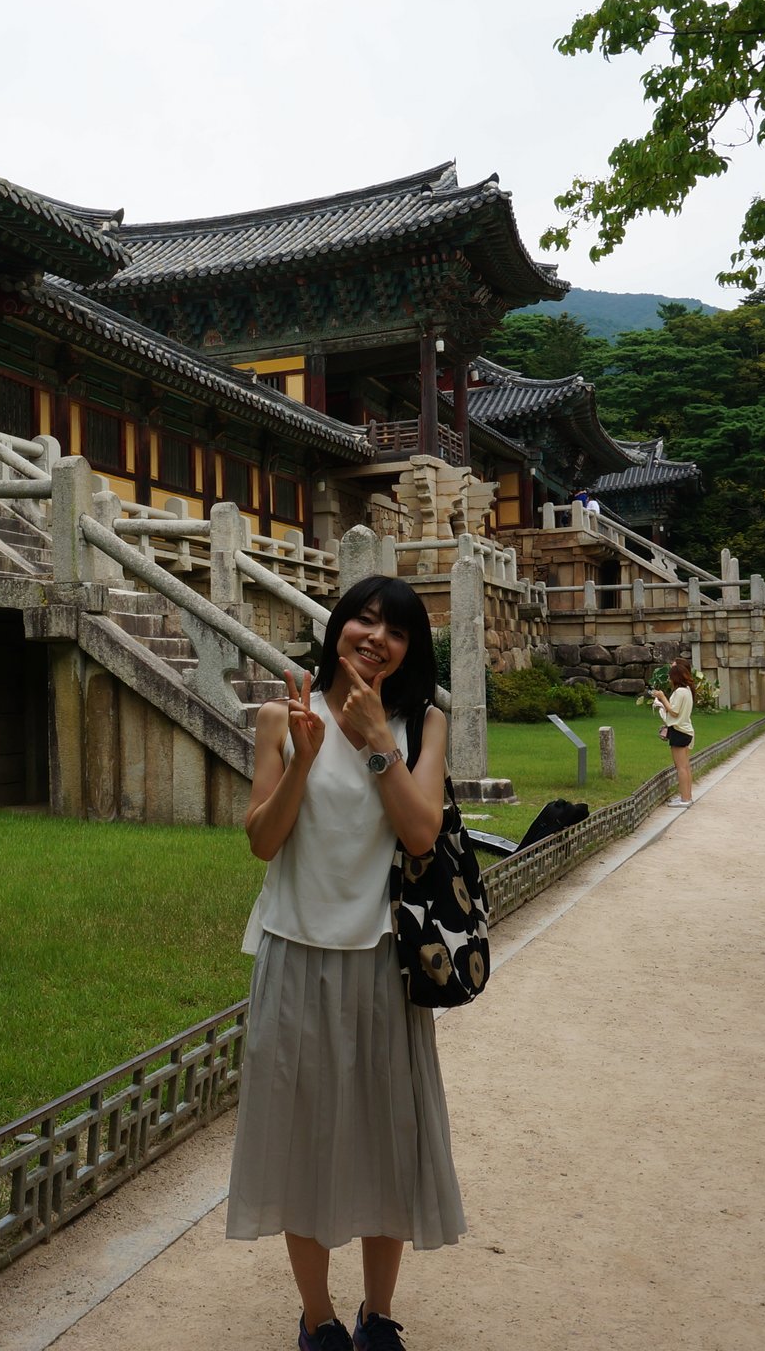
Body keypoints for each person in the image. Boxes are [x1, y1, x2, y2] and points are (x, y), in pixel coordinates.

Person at [229, 575, 462, 1351]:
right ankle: (319, 1318)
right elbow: (263, 841)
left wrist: (375, 745)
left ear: (409, 650)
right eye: (364, 621)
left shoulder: (423, 723)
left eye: (395, 631)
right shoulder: (278, 717)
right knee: (301, 1139)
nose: (376, 639)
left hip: (382, 963)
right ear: (337, 629)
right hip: (293, 955)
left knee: (387, 1135)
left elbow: (422, 833)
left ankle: (379, 1314)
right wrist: (304, 756)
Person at [651, 658, 696, 808]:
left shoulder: (680, 692)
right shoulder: (687, 690)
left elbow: (674, 712)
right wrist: (663, 704)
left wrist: (662, 698)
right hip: (686, 730)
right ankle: (687, 796)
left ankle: (684, 799)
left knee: (681, 767)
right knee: (685, 766)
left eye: (670, 676)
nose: (669, 679)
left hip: (679, 732)